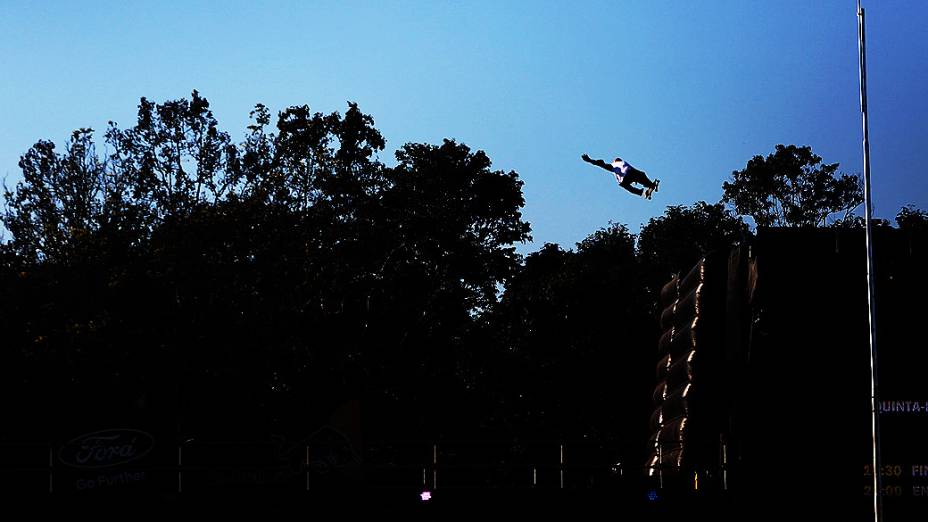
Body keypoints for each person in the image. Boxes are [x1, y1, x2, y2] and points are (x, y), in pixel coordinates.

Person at [581, 153, 659, 199]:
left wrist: (590, 160)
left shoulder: (613, 164)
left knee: (628, 187)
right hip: (631, 172)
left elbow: (602, 164)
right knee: (642, 175)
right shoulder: (623, 162)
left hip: (625, 179)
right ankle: (649, 184)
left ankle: (642, 192)